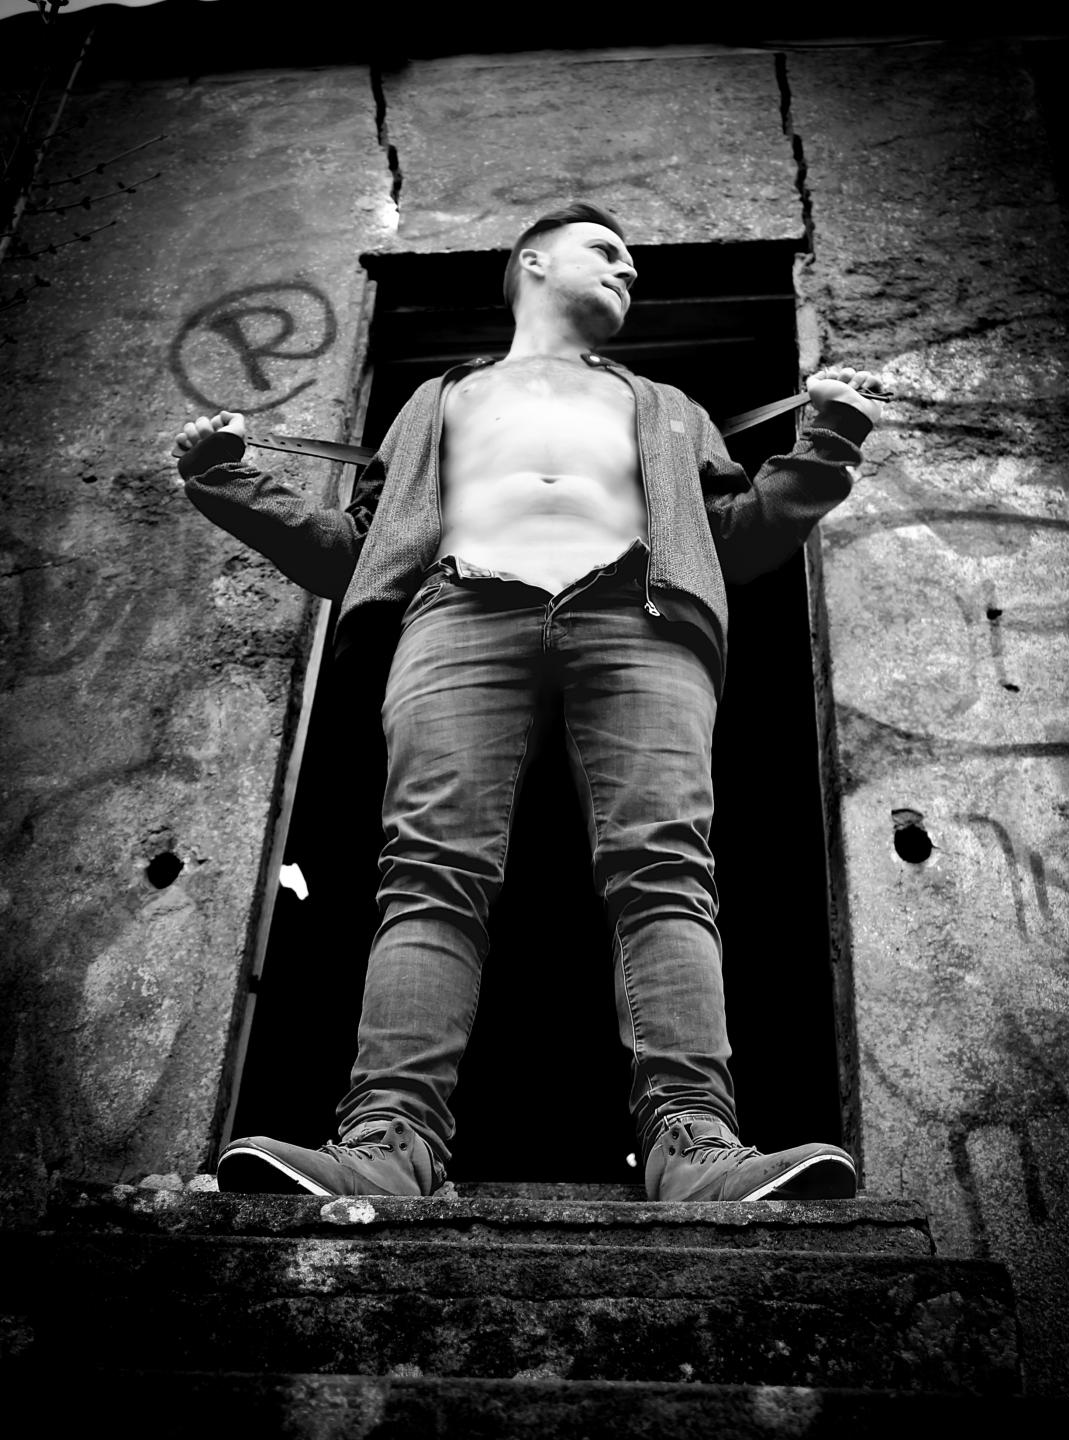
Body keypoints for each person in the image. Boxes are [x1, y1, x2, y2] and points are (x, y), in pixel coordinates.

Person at [174, 201, 883, 1203]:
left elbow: (735, 535)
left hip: (640, 616)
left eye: (631, 261)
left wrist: (831, 437)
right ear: (533, 262)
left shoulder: (667, 404)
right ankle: (389, 1144)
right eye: (608, 251)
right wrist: (228, 482)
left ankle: (694, 1148)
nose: (629, 271)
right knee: (430, 872)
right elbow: (360, 553)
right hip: (458, 613)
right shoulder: (437, 400)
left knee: (663, 870)